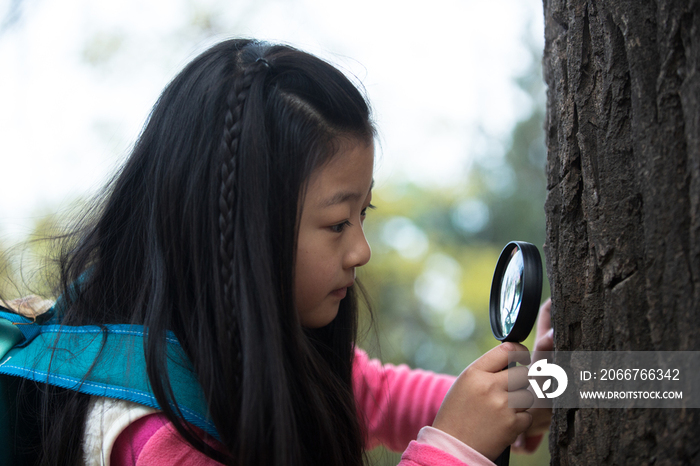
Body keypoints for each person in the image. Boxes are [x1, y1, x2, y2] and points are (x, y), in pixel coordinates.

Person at [5, 39, 552, 465]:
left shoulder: (243, 348)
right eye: (337, 223)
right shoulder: (156, 436)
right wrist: (455, 448)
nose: (361, 251)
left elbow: (378, 394)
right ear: (244, 232)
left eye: (363, 215)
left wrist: (521, 394)